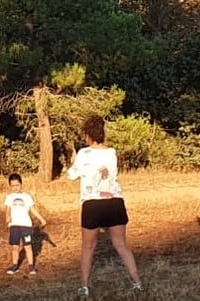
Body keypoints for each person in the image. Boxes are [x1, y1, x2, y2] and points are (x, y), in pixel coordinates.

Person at [64, 115, 142, 295]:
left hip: (92, 203)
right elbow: (112, 174)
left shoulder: (84, 153)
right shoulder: (111, 152)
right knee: (121, 244)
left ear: (87, 135)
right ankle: (137, 282)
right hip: (115, 201)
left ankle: (84, 286)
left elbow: (71, 175)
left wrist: (73, 160)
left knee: (88, 247)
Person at [3, 171, 47, 275]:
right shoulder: (9, 197)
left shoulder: (27, 197)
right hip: (14, 225)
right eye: (13, 186)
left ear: (21, 184)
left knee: (27, 246)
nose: (15, 187)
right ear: (10, 186)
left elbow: (32, 209)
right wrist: (7, 216)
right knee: (15, 247)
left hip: (26, 226)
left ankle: (31, 267)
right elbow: (7, 209)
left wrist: (41, 219)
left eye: (17, 185)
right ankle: (15, 266)